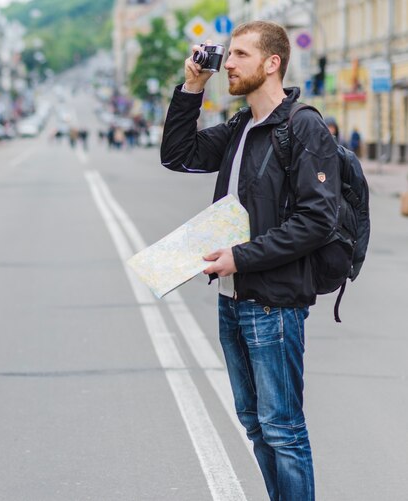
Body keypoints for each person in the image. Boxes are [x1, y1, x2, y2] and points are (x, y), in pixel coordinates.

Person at [161, 21, 342, 501]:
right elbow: (179, 156)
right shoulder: (243, 126)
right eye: (230, 54)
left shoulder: (302, 126)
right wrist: (192, 88)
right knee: (255, 426)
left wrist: (239, 257)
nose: (229, 64)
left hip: (274, 305)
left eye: (240, 54)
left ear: (272, 63)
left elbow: (316, 221)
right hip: (233, 299)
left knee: (282, 429)